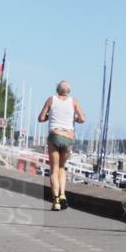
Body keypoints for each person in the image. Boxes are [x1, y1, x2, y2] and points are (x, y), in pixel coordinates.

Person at [37, 81, 86, 211]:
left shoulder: (51, 99)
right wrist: (74, 119)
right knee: (62, 168)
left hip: (55, 136)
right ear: (68, 91)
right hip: (68, 138)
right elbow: (82, 119)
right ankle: (63, 194)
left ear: (57, 90)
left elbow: (41, 118)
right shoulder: (74, 102)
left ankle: (56, 201)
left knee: (54, 170)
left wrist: (50, 116)